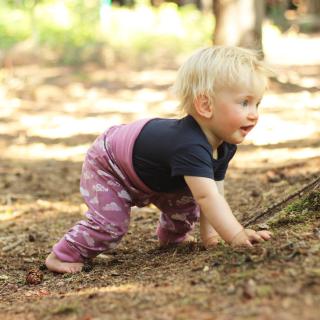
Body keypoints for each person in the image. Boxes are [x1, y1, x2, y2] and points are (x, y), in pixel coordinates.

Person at [46, 46, 272, 273]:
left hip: (152, 173)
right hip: (110, 165)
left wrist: (212, 236)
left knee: (188, 203)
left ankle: (172, 238)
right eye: (244, 103)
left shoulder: (225, 144)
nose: (254, 114)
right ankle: (62, 255)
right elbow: (208, 198)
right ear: (205, 105)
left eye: (257, 104)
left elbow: (214, 193)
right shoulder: (189, 145)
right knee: (110, 226)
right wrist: (236, 236)